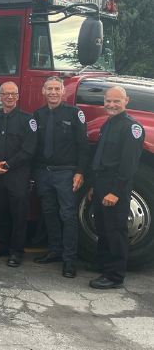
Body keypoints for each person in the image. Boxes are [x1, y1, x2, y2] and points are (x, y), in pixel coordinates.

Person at [32, 76, 90, 278]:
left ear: (63, 91)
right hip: (43, 171)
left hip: (66, 173)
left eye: (57, 88)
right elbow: (34, 146)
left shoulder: (75, 114)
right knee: (49, 212)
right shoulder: (37, 115)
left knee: (68, 215)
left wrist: (80, 172)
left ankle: (69, 259)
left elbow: (83, 146)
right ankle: (55, 251)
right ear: (43, 91)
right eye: (50, 89)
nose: (53, 92)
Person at [87, 86, 143, 289]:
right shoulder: (107, 124)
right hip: (101, 183)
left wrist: (115, 192)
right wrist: (95, 187)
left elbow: (128, 166)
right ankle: (103, 264)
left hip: (115, 185)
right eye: (108, 101)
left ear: (126, 101)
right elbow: (101, 159)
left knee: (115, 231)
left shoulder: (132, 128)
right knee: (102, 228)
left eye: (116, 101)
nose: (111, 104)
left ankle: (114, 276)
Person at [0, 82, 37, 267]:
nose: (9, 97)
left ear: (18, 96)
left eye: (13, 94)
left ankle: (16, 251)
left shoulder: (27, 120)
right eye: (5, 94)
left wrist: (7, 164)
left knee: (18, 213)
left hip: (17, 173)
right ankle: (2, 246)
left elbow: (28, 149)